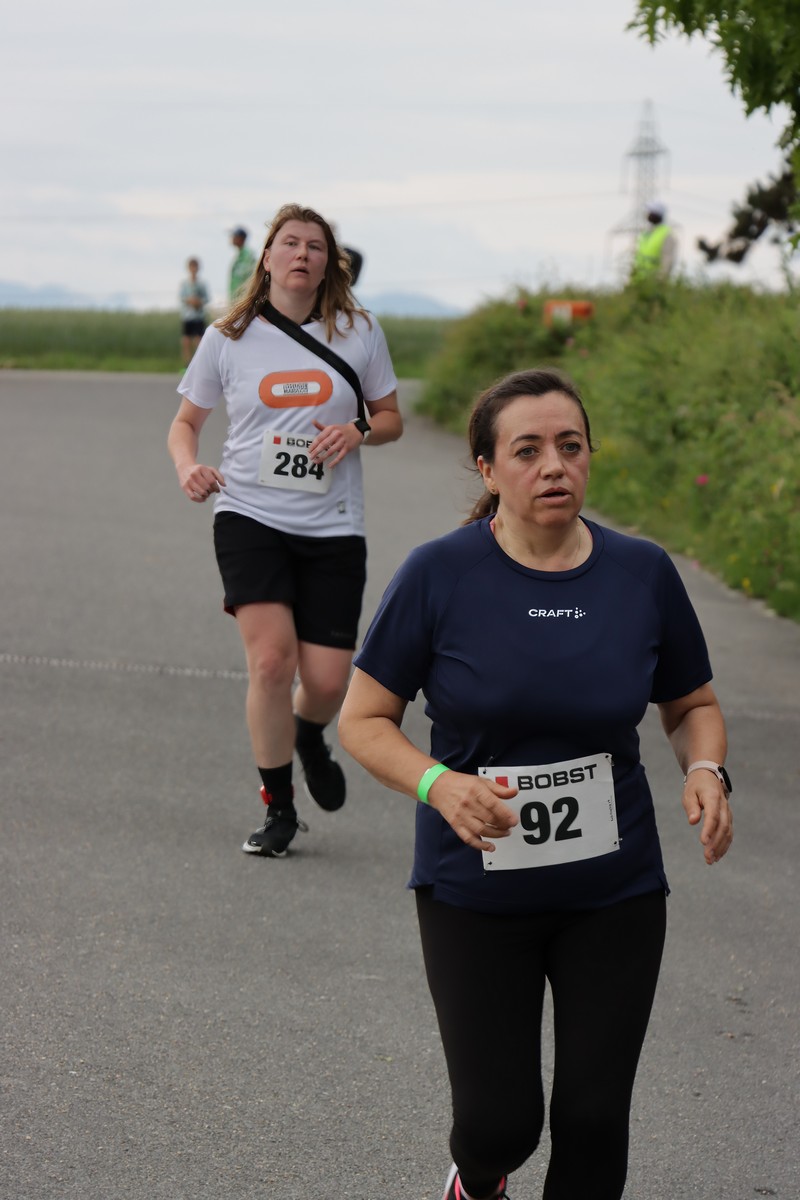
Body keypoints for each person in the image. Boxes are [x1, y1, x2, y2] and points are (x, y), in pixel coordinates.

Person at [338, 367, 733, 1200]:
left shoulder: (641, 573)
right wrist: (440, 784)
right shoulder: (439, 574)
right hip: (476, 892)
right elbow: (364, 721)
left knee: (594, 1121)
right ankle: (477, 1182)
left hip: (615, 890)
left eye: (570, 446)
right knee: (499, 1127)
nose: (554, 465)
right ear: (488, 469)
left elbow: (691, 703)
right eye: (528, 450)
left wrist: (705, 768)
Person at [168, 202, 403, 857]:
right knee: (272, 662)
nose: (302, 254)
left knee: (327, 682)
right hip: (250, 515)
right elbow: (185, 424)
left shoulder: (359, 331)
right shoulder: (228, 337)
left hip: (333, 526)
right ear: (267, 258)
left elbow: (390, 418)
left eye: (315, 246)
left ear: (331, 263)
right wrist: (188, 466)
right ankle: (279, 807)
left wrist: (356, 430)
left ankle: (307, 732)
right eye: (290, 243)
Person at [630, 201, 677, 282]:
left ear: (658, 215)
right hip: (639, 280)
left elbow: (667, 261)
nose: (648, 214)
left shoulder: (667, 235)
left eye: (651, 212)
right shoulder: (646, 233)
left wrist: (660, 280)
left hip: (654, 281)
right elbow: (638, 258)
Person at [178, 257, 210, 366]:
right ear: (188, 268)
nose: (193, 269)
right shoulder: (184, 283)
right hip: (187, 316)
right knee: (186, 341)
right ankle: (187, 364)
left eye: (195, 267)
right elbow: (181, 298)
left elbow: (207, 298)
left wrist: (198, 302)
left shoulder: (202, 284)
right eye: (191, 267)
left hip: (199, 316)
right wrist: (190, 301)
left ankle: (199, 364)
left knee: (199, 340)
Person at [228, 226, 257, 301]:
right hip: (235, 301)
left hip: (243, 300)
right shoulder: (239, 256)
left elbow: (251, 277)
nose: (231, 238)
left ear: (240, 238)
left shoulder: (248, 255)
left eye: (234, 236)